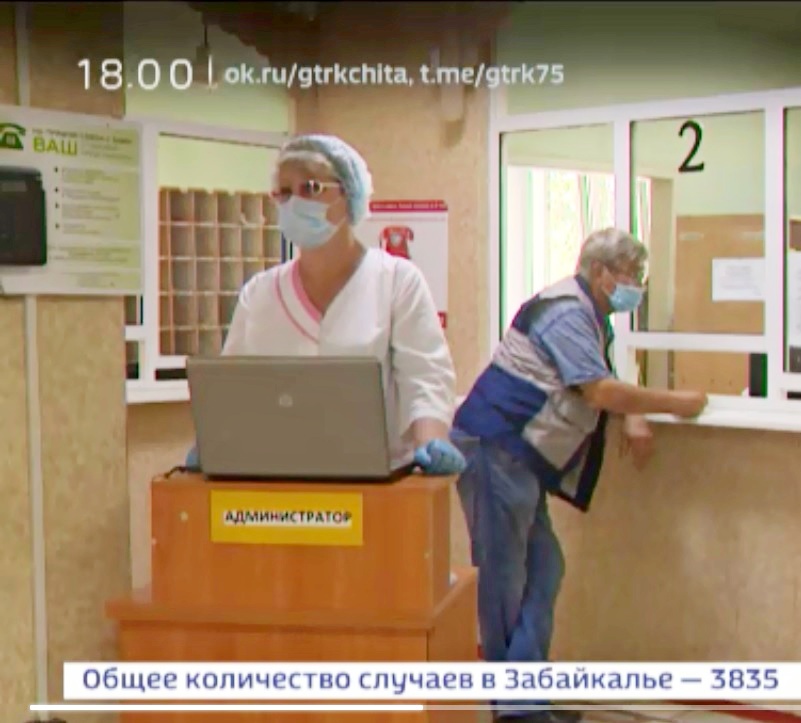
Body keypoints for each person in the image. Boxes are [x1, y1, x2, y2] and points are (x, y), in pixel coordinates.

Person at [451, 228, 709, 723]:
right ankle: (517, 709)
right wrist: (677, 403)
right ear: (599, 272)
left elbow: (601, 378)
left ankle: (525, 699)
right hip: (494, 448)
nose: (637, 286)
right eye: (630, 275)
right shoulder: (567, 312)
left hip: (518, 457)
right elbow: (599, 391)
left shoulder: (589, 315)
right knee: (505, 584)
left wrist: (634, 413)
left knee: (544, 569)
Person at [184, 134, 464, 477]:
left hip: (379, 481)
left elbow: (424, 377)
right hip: (278, 476)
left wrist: (431, 441)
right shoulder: (260, 294)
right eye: (284, 193)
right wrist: (214, 442)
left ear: (349, 195)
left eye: (310, 188)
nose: (294, 203)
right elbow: (233, 388)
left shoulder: (396, 281)